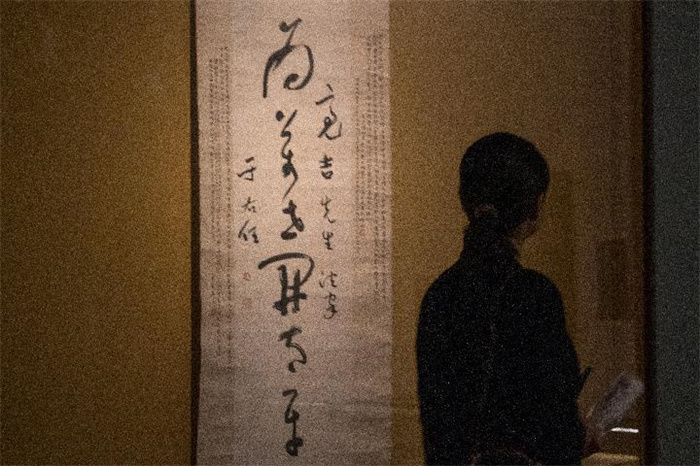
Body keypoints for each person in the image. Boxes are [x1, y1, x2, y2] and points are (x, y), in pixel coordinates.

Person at [416, 133, 588, 465]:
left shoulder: (439, 295)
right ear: (536, 206)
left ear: (465, 201)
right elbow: (557, 431)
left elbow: (438, 427)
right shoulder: (534, 293)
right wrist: (581, 435)